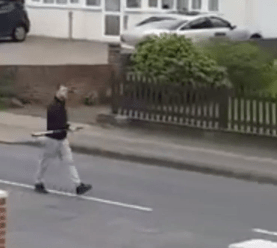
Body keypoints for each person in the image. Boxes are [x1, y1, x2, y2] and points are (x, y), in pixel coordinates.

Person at [34, 84, 92, 195]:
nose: (65, 93)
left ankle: (78, 185)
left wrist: (68, 127)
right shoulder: (53, 107)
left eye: (66, 91)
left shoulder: (61, 106)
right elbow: (57, 124)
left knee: (69, 161)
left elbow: (63, 123)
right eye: (63, 91)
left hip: (62, 139)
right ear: (57, 93)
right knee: (45, 162)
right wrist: (67, 127)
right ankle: (38, 182)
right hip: (53, 140)